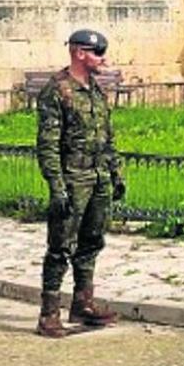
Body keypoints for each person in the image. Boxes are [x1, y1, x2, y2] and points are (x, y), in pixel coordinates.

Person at [35, 29, 124, 338]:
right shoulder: (57, 91)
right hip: (73, 180)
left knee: (92, 242)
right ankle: (49, 315)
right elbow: (47, 144)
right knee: (60, 246)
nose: (104, 59)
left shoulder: (95, 91)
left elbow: (106, 137)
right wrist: (56, 186)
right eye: (98, 53)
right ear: (80, 53)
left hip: (98, 178)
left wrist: (116, 174)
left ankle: (82, 304)